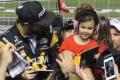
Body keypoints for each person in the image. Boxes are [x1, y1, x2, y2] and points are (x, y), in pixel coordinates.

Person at [0, 1, 59, 80]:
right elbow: (3, 74)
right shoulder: (5, 42)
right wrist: (21, 77)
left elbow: (55, 59)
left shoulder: (50, 32)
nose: (45, 25)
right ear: (26, 24)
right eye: (40, 23)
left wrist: (51, 75)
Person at [57, 2, 99, 80]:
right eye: (83, 27)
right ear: (76, 26)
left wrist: (97, 58)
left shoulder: (94, 44)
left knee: (87, 71)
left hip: (84, 70)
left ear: (95, 29)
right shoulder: (69, 41)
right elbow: (59, 55)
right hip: (67, 70)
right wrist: (65, 55)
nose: (86, 31)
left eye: (90, 28)